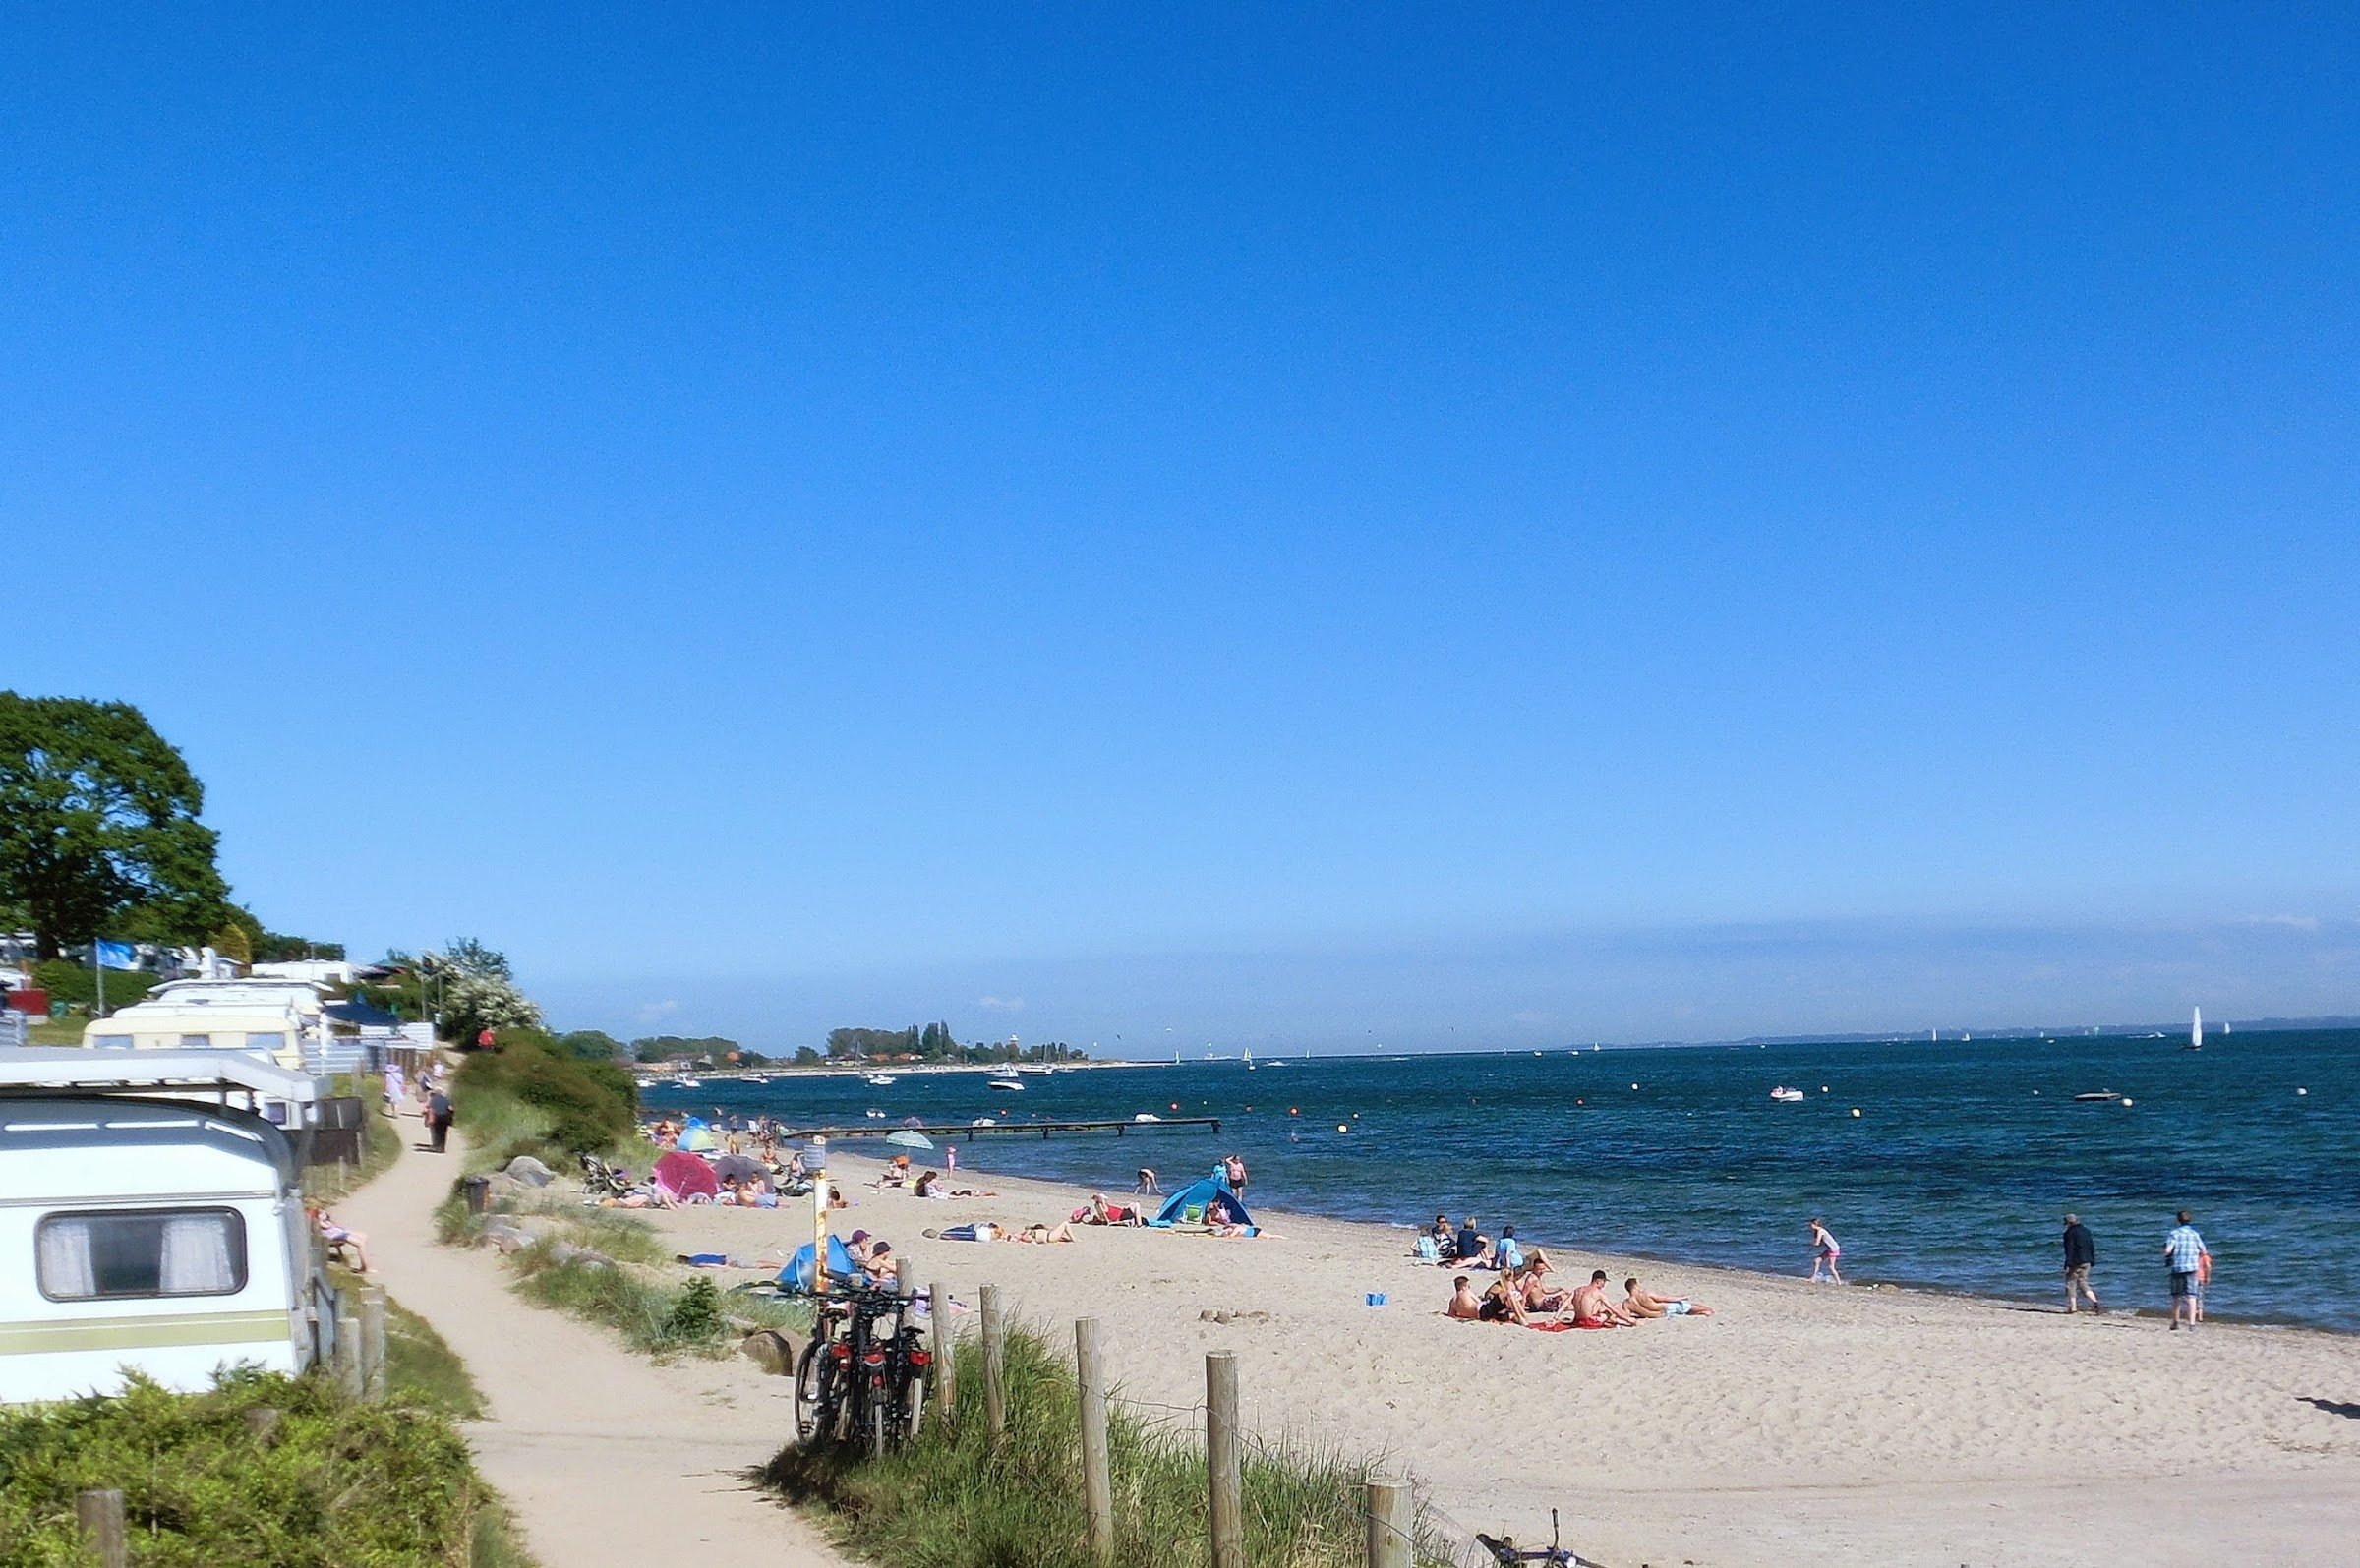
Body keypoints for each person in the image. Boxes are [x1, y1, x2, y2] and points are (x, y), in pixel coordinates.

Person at [2163, 1210, 2209, 1330]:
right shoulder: (2195, 1234)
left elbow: (2168, 1250)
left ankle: (2175, 1322)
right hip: (2192, 1268)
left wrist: (2166, 1250)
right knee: (2192, 1295)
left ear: (2178, 1220)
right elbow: (2203, 1250)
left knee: (2176, 1296)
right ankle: (2192, 1324)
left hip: (2178, 1267)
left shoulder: (2174, 1234)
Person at [2062, 1213, 2100, 1313]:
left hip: (2075, 1261)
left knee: (2071, 1283)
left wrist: (2067, 1264)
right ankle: (2094, 1301)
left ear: (2069, 1223)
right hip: (2087, 1260)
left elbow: (2069, 1249)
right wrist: (2092, 1260)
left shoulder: (2069, 1233)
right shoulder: (2086, 1231)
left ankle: (2073, 1307)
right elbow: (2091, 1246)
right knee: (2083, 1282)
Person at [1569, 1270, 1636, 1327]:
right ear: (1598, 1281)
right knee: (1609, 1312)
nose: (1603, 1285)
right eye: (1603, 1282)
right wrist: (1628, 1319)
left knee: (1602, 1308)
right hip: (1590, 1322)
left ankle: (1621, 1321)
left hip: (1577, 1321)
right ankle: (1624, 1321)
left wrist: (1558, 1317)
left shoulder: (1578, 1290)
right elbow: (1614, 1310)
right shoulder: (1598, 1293)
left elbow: (1564, 1304)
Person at [1622, 1277, 1713, 1318]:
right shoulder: (1646, 1294)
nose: (1639, 1287)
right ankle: (1709, 1309)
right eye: (1638, 1285)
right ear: (1634, 1287)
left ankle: (1703, 1313)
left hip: (1661, 1315)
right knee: (1689, 1306)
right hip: (1665, 1308)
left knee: (1684, 1313)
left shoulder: (1627, 1303)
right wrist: (1680, 1298)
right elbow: (1664, 1298)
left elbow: (1626, 1316)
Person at [1808, 1217, 1843, 1284]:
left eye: (1811, 1225)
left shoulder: (1820, 1231)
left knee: (1831, 1267)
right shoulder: (1820, 1231)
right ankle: (1813, 1278)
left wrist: (1812, 1246)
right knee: (1817, 1261)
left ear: (1814, 1225)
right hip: (1830, 1249)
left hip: (1833, 1249)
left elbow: (1817, 1243)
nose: (1810, 1227)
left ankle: (1839, 1282)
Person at [425, 1087, 454, 1154]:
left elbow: (429, 1108)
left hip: (436, 1117)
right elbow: (451, 1108)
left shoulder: (433, 1100)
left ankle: (436, 1146)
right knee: (443, 1133)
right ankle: (442, 1148)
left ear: (435, 1093)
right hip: (445, 1117)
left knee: (436, 1132)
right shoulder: (446, 1099)